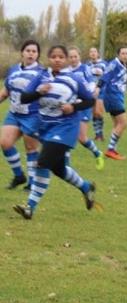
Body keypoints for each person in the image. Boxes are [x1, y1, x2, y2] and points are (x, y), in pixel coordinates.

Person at [13, 45, 97, 220]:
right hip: (46, 128)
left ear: (65, 59)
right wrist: (38, 92)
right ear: (48, 58)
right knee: (59, 169)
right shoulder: (41, 76)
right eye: (53, 56)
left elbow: (90, 100)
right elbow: (24, 98)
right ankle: (86, 187)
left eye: (60, 57)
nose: (57, 59)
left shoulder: (74, 78)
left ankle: (30, 207)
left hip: (66, 128)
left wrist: (73, 106)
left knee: (42, 163)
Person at [0, 40, 45, 190]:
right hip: (14, 113)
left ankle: (32, 182)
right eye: (28, 50)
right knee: (5, 143)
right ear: (22, 52)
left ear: (37, 55)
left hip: (33, 115)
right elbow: (6, 91)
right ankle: (19, 176)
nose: (31, 53)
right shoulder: (13, 70)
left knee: (30, 148)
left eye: (34, 51)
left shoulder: (42, 72)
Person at [68, 47, 105, 170]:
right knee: (67, 132)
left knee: (82, 138)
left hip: (83, 106)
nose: (73, 59)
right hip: (71, 106)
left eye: (75, 56)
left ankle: (97, 153)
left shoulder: (85, 68)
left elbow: (91, 83)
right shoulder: (66, 70)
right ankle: (65, 163)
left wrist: (89, 93)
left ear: (79, 56)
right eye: (71, 57)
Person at [97, 47, 127, 160]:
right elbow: (105, 76)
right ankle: (110, 150)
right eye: (123, 53)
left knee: (117, 124)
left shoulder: (122, 65)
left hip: (116, 96)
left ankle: (112, 150)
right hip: (113, 96)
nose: (125, 55)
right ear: (118, 54)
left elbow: (116, 77)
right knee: (123, 122)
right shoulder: (114, 63)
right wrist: (97, 87)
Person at [85, 47, 107, 141]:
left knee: (98, 112)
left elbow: (107, 76)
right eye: (91, 52)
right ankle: (98, 135)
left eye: (94, 51)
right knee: (94, 113)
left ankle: (100, 132)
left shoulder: (104, 64)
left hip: (100, 90)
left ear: (98, 54)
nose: (93, 53)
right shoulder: (87, 65)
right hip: (91, 92)